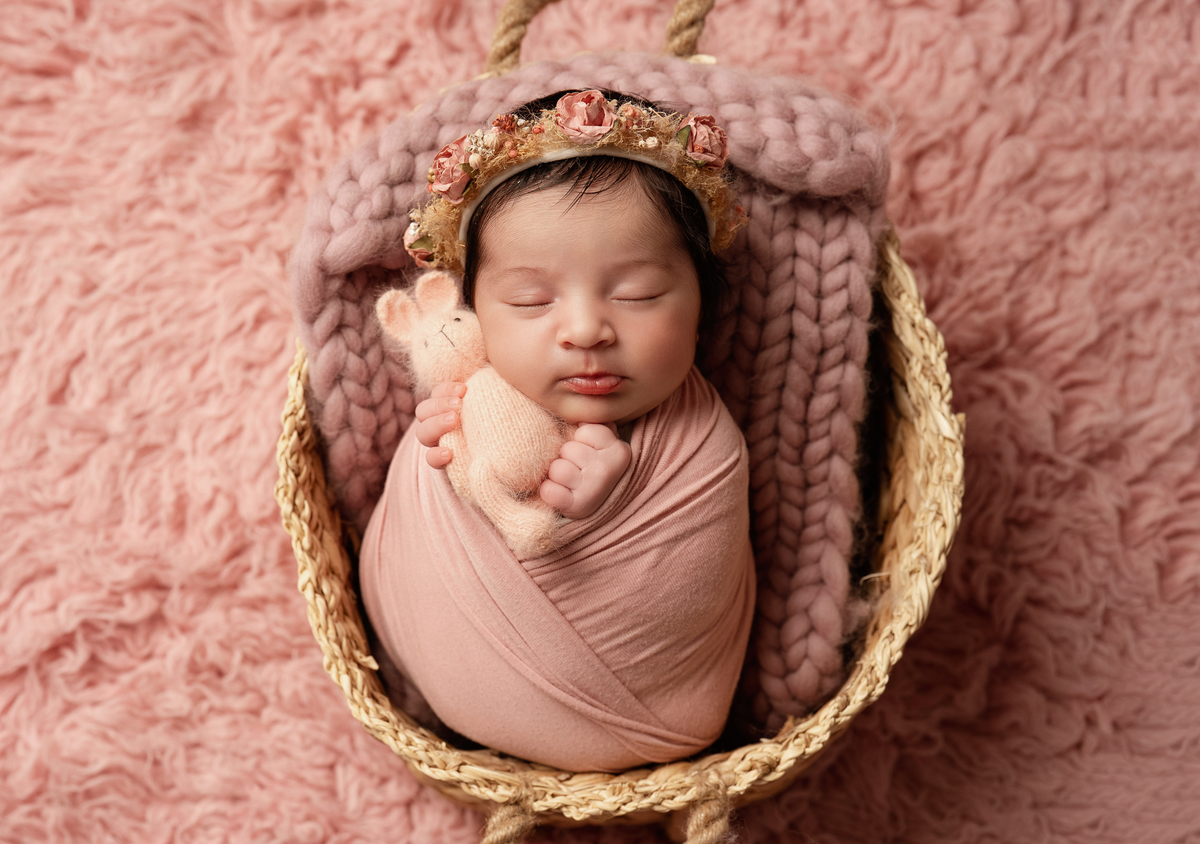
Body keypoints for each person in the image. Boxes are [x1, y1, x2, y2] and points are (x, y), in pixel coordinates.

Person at [360, 89, 756, 772]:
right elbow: (443, 501)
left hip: (655, 710)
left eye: (636, 294)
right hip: (438, 664)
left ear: (703, 306)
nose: (584, 331)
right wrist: (444, 450)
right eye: (529, 300)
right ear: (474, 309)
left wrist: (617, 489)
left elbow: (694, 567)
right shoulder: (475, 387)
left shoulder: (703, 442)